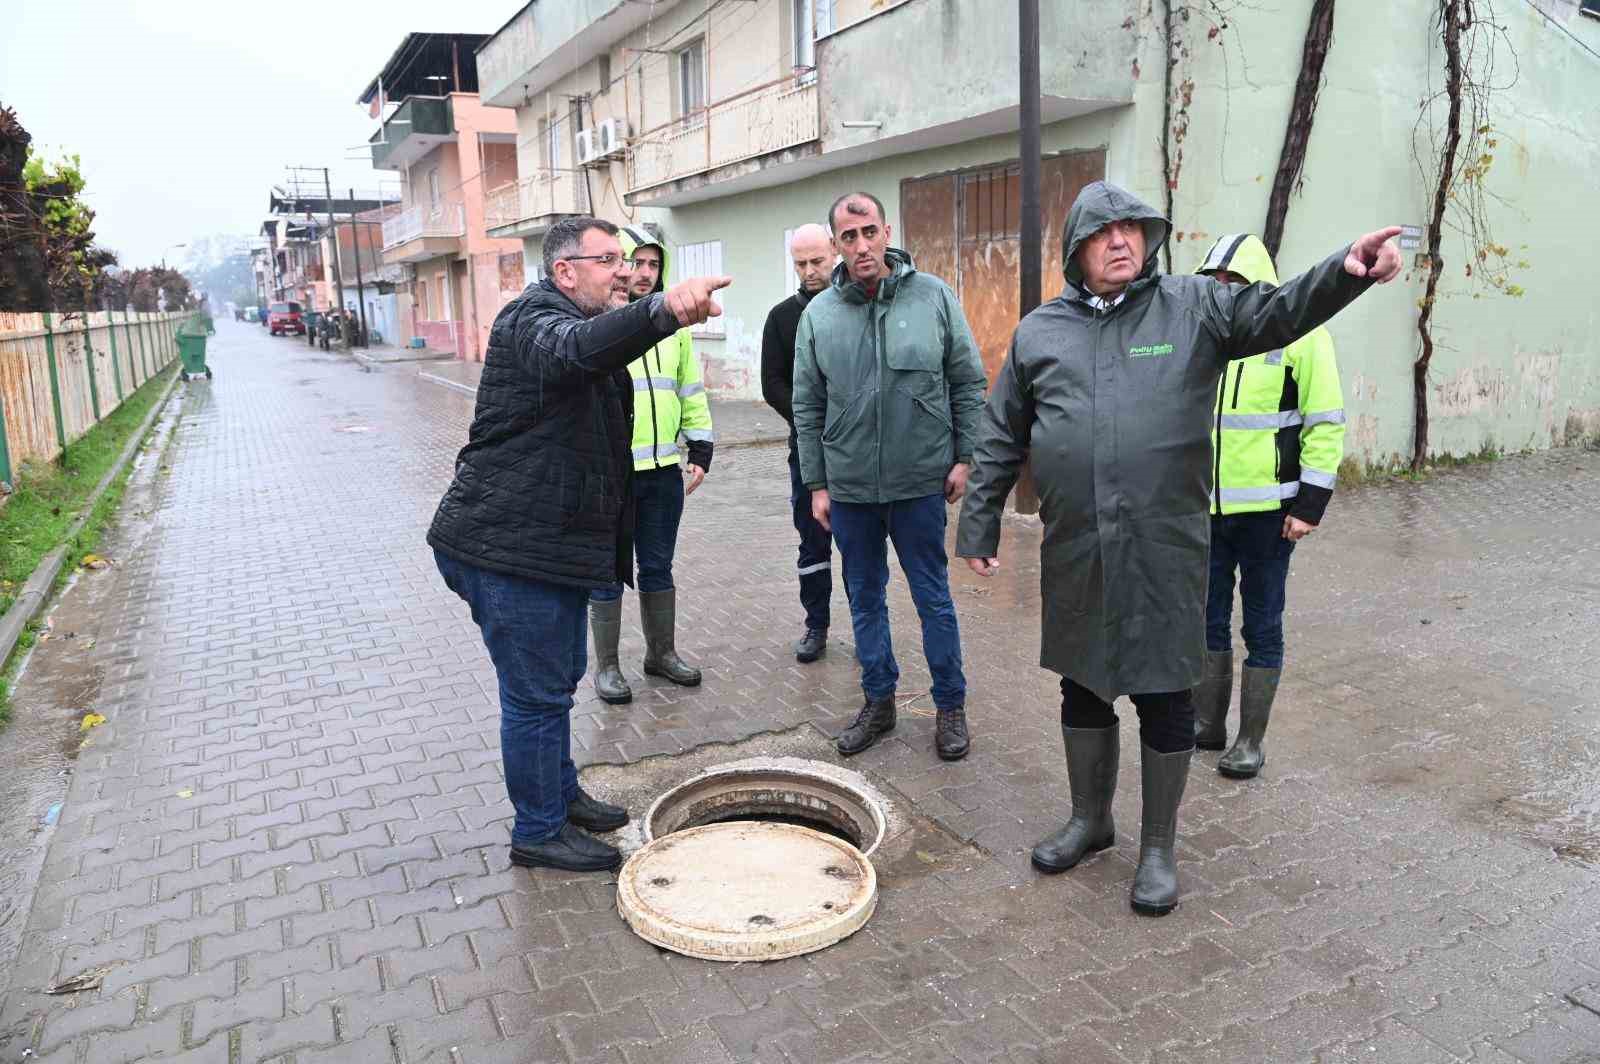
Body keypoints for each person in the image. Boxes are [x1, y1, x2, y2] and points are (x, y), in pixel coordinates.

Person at [956, 181, 1399, 916]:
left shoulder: (1194, 307)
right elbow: (1002, 432)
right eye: (1104, 232)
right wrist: (978, 524)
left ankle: (1157, 848)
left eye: (1133, 228)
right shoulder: (1041, 331)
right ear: (1077, 248)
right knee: (1083, 684)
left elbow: (1280, 311)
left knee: (1166, 693)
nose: (1122, 241)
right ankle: (1091, 820)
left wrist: (1344, 271)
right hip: (1078, 549)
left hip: (1166, 548)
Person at [428, 216, 730, 873]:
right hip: (506, 548)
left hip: (543, 544)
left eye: (627, 260)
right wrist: (663, 309)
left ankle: (559, 797)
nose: (624, 270)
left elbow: (594, 355)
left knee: (554, 684)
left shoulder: (574, 321)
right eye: (608, 260)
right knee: (535, 695)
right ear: (564, 271)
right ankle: (538, 831)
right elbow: (573, 349)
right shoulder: (531, 321)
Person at [793, 192, 987, 762]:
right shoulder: (818, 316)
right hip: (851, 488)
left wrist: (964, 456)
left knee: (933, 597)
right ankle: (879, 701)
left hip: (919, 482)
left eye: (869, 233)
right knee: (865, 599)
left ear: (887, 232)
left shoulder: (934, 298)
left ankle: (950, 704)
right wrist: (818, 484)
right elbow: (807, 405)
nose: (861, 246)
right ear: (835, 245)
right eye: (848, 238)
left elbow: (967, 381)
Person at [1193, 234, 1347, 779]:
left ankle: (1250, 741)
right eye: (1212, 281)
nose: (1219, 290)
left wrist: (1309, 506)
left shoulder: (1304, 335)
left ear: (1257, 284)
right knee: (1205, 620)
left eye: (1230, 282)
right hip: (1207, 511)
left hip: (1270, 515)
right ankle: (1206, 726)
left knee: (1261, 625)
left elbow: (1325, 422)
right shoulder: (1205, 334)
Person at [587, 226, 715, 705]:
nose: (644, 273)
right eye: (635, 263)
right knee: (606, 571)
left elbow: (689, 392)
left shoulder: (673, 327)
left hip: (662, 472)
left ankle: (660, 654)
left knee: (658, 566)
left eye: (653, 264)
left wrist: (700, 449)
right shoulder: (600, 322)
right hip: (612, 476)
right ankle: (607, 668)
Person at [761, 223, 842, 663]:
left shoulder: (856, 308)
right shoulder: (781, 317)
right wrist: (810, 421)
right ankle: (817, 625)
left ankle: (870, 628)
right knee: (812, 541)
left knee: (861, 545)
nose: (810, 271)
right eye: (800, 264)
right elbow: (771, 383)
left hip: (858, 454)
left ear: (834, 251)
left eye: (817, 261)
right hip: (808, 453)